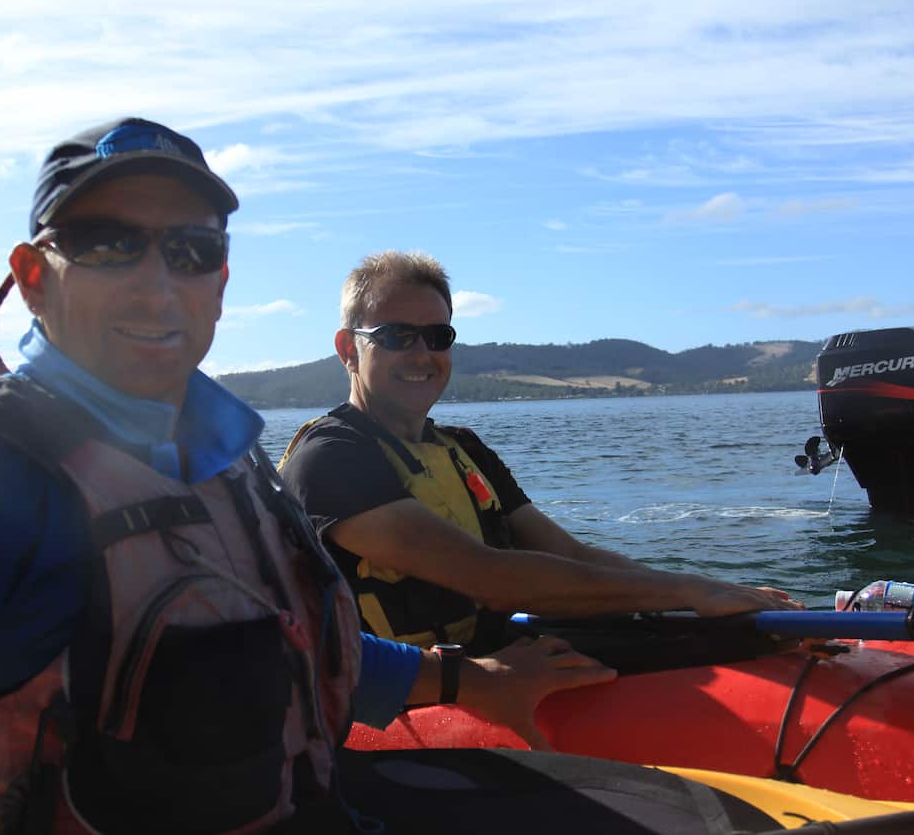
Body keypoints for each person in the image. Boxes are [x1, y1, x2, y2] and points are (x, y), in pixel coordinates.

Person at [0, 120, 620, 834]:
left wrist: (472, 680)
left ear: (221, 283)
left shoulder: (230, 458)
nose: (154, 285)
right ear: (30, 278)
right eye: (106, 244)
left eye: (190, 250)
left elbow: (296, 647)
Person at [278, 251, 801, 655]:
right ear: (349, 348)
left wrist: (706, 592)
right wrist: (688, 591)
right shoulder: (330, 458)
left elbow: (568, 555)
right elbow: (489, 577)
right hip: (401, 695)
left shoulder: (463, 449)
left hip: (490, 657)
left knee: (736, 641)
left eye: (437, 336)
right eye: (397, 336)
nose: (422, 354)